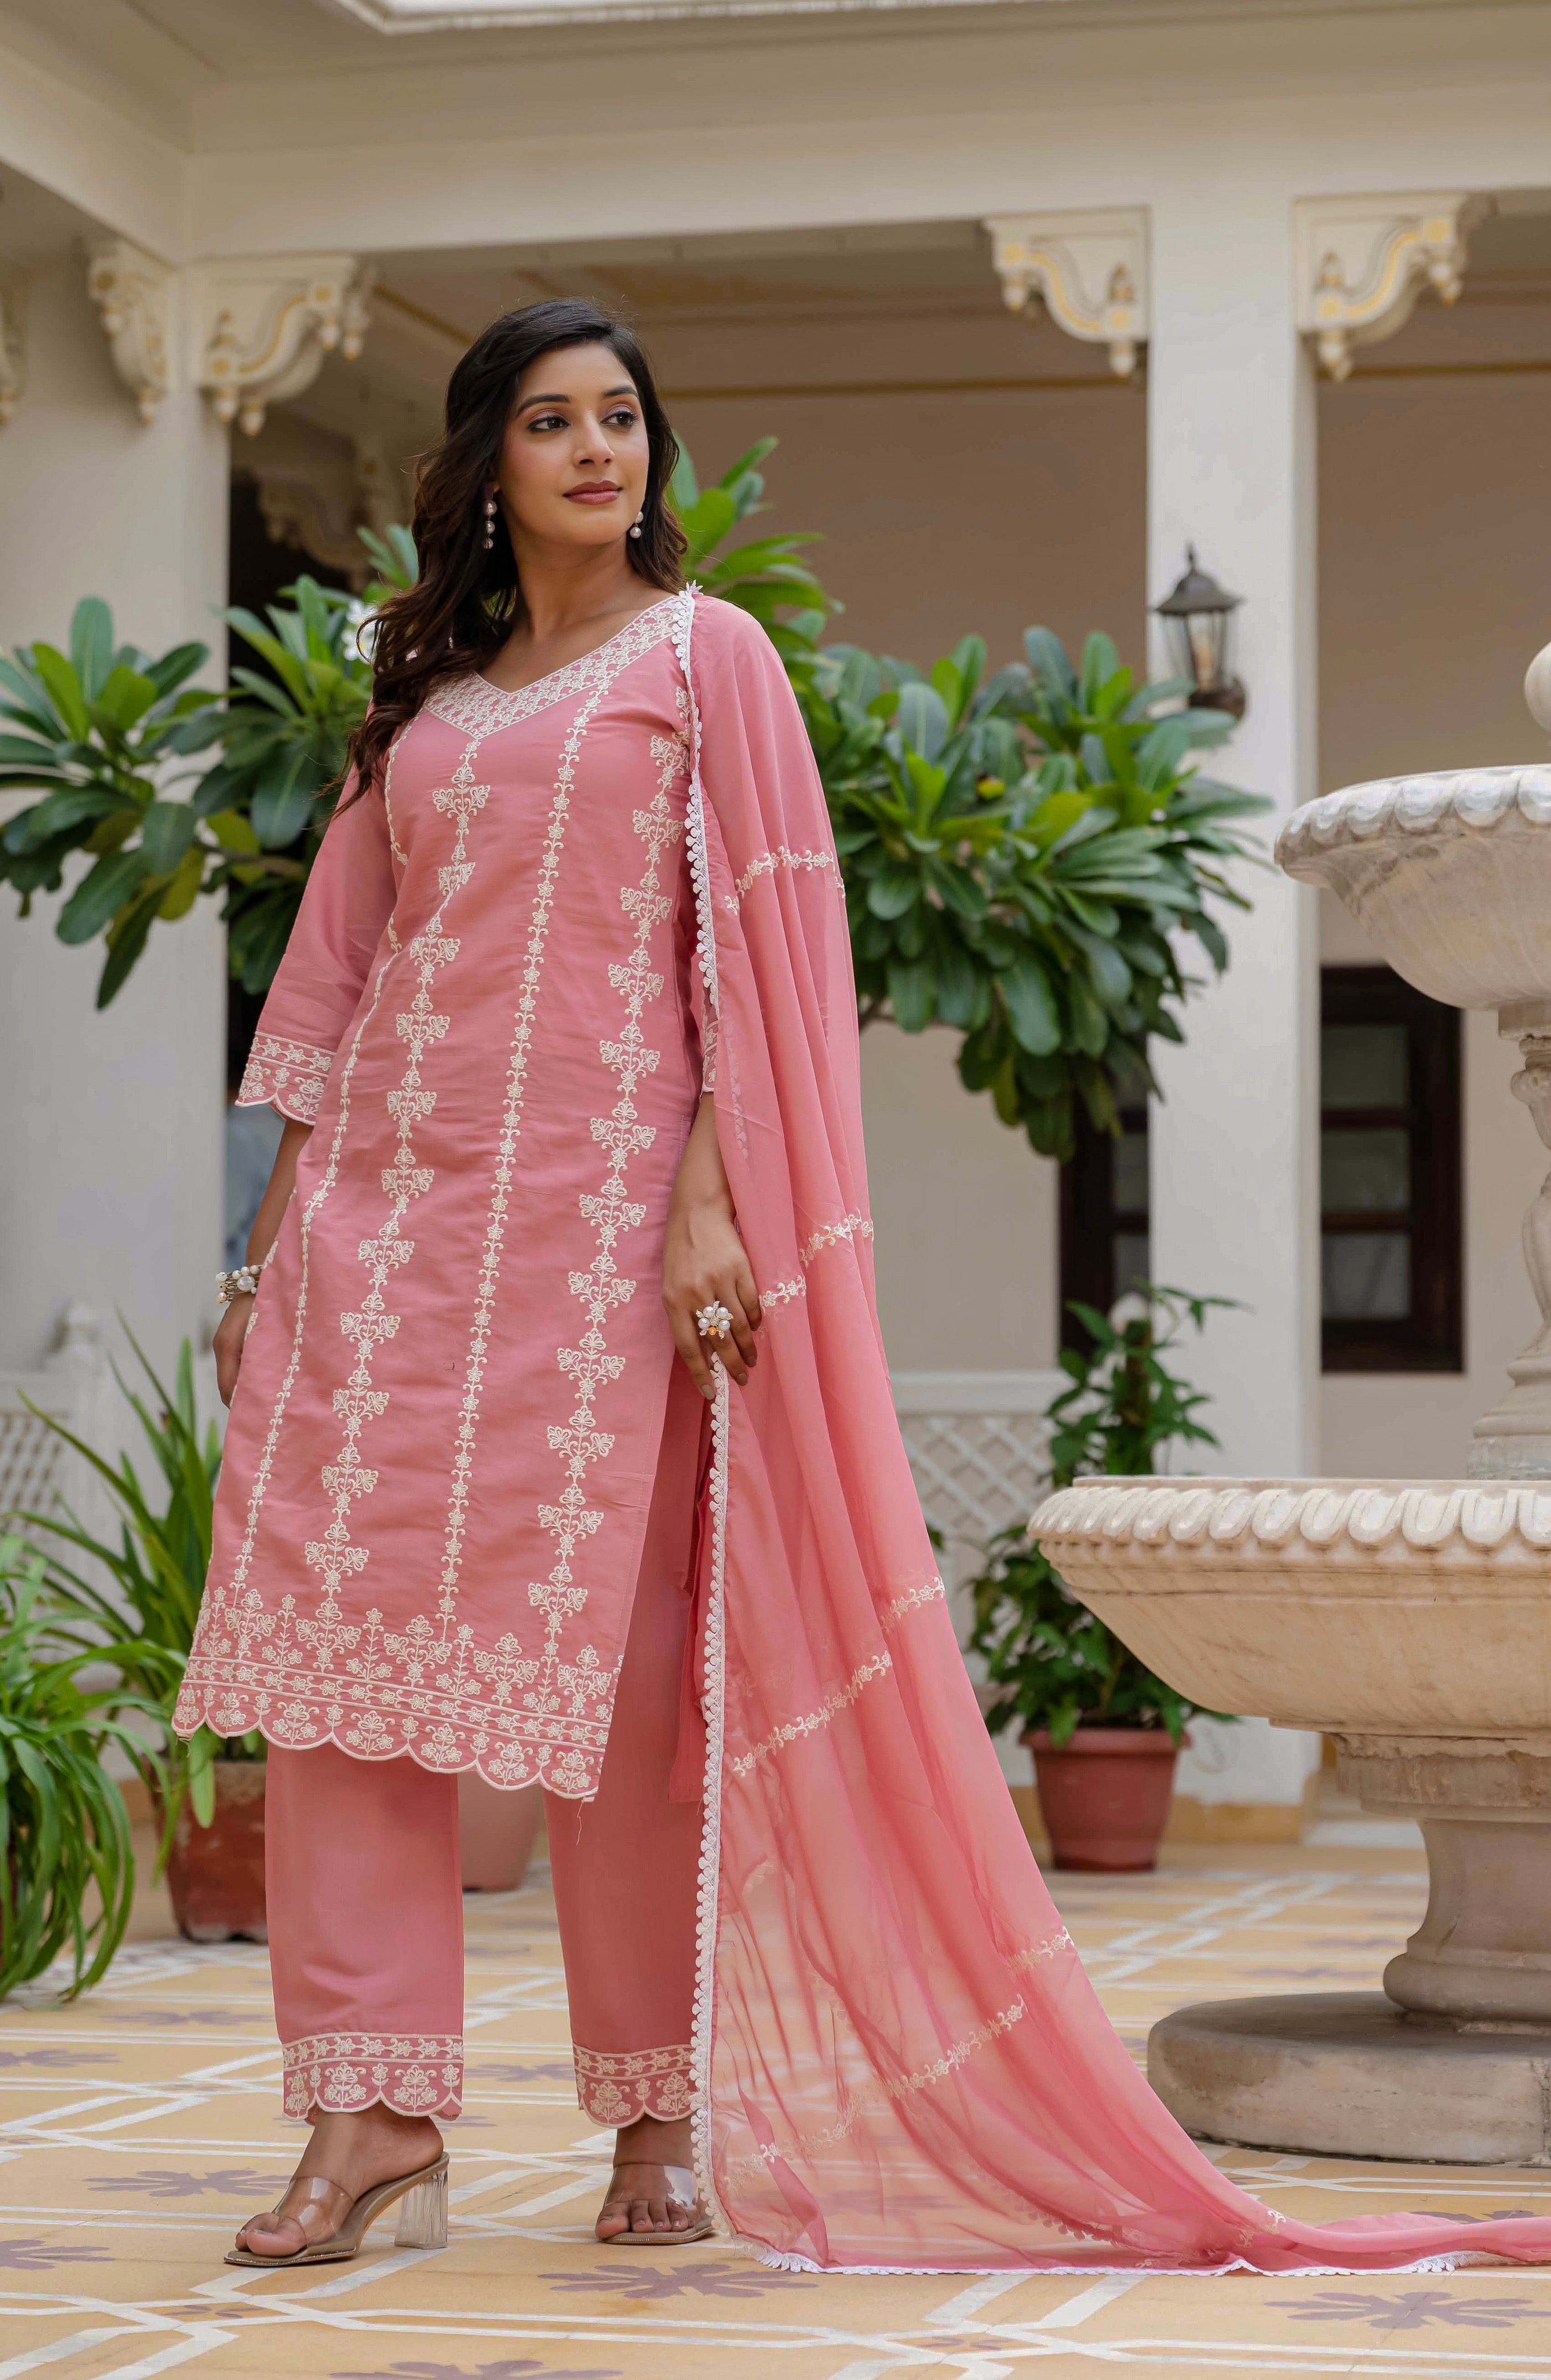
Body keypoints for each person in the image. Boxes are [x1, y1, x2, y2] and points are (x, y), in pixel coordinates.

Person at [177, 298, 1551, 2280]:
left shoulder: (704, 657)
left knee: (638, 1683)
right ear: (481, 463)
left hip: (599, 1240)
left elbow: (759, 958)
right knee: (339, 1682)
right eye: (552, 421)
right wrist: (262, 1252)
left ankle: (657, 2105)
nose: (598, 449)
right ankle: (370, 2119)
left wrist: (711, 1202)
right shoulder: (426, 713)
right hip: (379, 1249)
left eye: (623, 416)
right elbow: (330, 987)